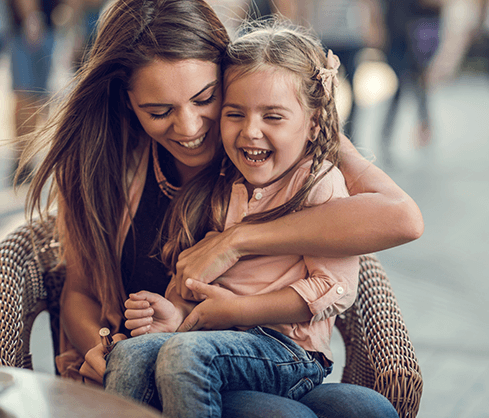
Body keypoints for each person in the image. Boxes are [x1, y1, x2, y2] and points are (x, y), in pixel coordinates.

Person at [18, 0, 422, 416]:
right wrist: (101, 347)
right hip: (162, 364)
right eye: (159, 111)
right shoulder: (99, 167)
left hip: (256, 356)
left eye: (205, 98)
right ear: (127, 102)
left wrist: (238, 240)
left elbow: (401, 218)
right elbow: (80, 292)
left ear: (228, 74)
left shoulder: (274, 135)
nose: (190, 128)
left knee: (363, 408)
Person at [108, 23, 360, 418]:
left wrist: (237, 311)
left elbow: (335, 290)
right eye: (235, 114)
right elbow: (202, 272)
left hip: (291, 352)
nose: (250, 132)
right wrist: (174, 313)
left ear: (313, 124)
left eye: (273, 117)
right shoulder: (227, 182)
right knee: (128, 353)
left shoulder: (320, 184)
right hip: (221, 342)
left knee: (185, 354)